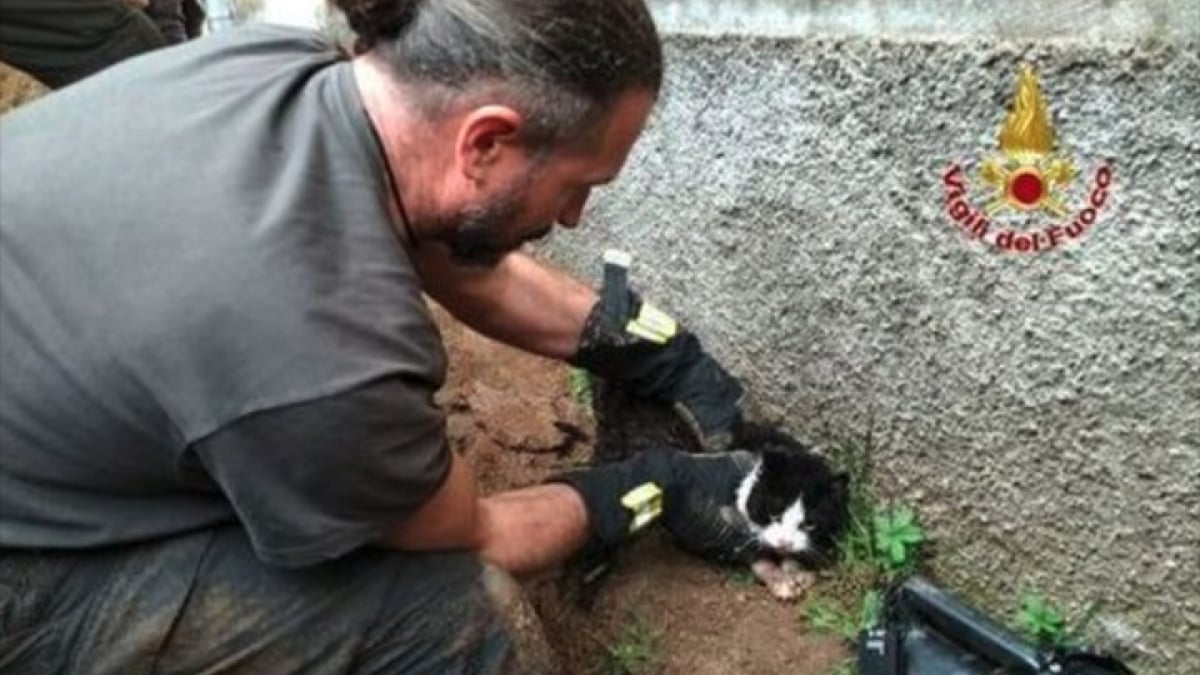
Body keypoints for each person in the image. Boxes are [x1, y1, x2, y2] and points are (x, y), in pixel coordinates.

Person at [0, 1, 753, 672]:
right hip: (19, 577)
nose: (575, 218)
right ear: (485, 142)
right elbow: (474, 531)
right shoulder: (322, 343)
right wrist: (654, 488)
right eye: (579, 184)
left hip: (44, 423)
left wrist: (661, 350)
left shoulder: (293, 78)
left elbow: (463, 265)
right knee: (449, 612)